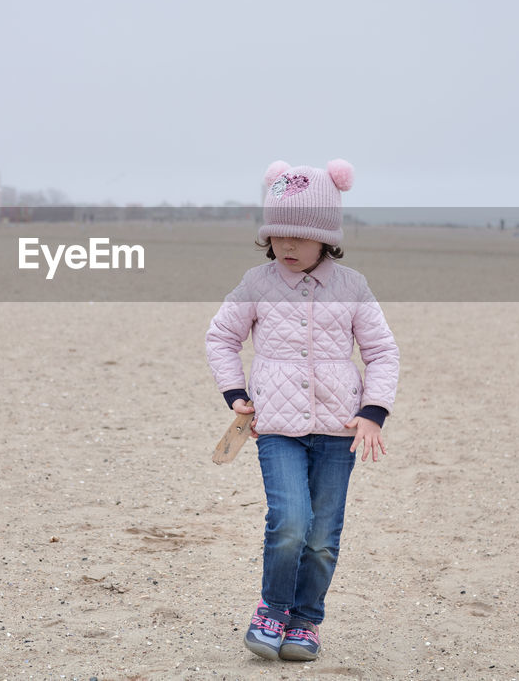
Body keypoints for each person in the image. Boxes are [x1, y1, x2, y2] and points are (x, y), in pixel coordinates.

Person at [206, 159, 400, 662]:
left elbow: (382, 352)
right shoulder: (256, 283)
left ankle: (306, 621)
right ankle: (272, 610)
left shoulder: (353, 286)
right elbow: (221, 337)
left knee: (321, 536)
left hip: (339, 432)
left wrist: (373, 410)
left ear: (327, 237)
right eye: (277, 235)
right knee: (290, 521)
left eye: (299, 235)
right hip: (277, 428)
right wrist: (235, 394)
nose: (286, 246)